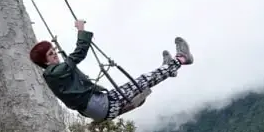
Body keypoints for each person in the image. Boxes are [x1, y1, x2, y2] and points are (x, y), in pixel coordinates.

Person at [29, 19, 194, 122]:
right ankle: (182, 59)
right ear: (45, 62)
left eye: (54, 51)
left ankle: (166, 69)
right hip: (102, 106)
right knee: (143, 81)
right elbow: (78, 54)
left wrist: (62, 53)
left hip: (99, 105)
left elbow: (70, 66)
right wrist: (81, 30)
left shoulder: (53, 74)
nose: (55, 55)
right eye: (51, 54)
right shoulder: (55, 73)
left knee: (142, 81)